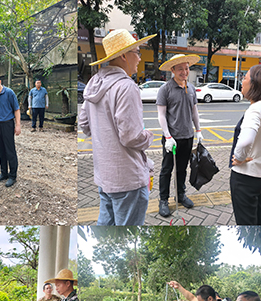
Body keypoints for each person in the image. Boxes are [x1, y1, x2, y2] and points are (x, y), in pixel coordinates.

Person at [78, 29, 157, 225]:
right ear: (123, 56)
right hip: (127, 177)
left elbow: (84, 124)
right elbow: (131, 137)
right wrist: (148, 136)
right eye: (137, 52)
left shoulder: (94, 84)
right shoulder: (126, 87)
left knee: (106, 227)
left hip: (105, 175)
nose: (139, 58)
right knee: (127, 232)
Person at [156, 54, 204, 217]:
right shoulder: (165, 89)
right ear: (172, 70)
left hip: (187, 137)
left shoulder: (191, 88)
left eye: (186, 68)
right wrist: (168, 136)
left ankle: (180, 195)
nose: (184, 72)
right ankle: (163, 200)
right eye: (180, 69)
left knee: (182, 169)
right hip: (172, 138)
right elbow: (161, 115)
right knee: (166, 169)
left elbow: (194, 111)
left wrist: (198, 130)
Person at [230, 65, 261, 225]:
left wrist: (239, 157)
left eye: (245, 78)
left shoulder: (255, 109)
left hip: (247, 177)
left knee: (247, 225)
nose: (242, 81)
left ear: (255, 84)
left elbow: (245, 141)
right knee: (260, 219)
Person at [0, 73, 21, 187]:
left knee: (10, 150)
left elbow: (16, 109)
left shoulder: (9, 93)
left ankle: (12, 176)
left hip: (7, 124)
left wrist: (18, 125)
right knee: (0, 151)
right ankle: (4, 173)